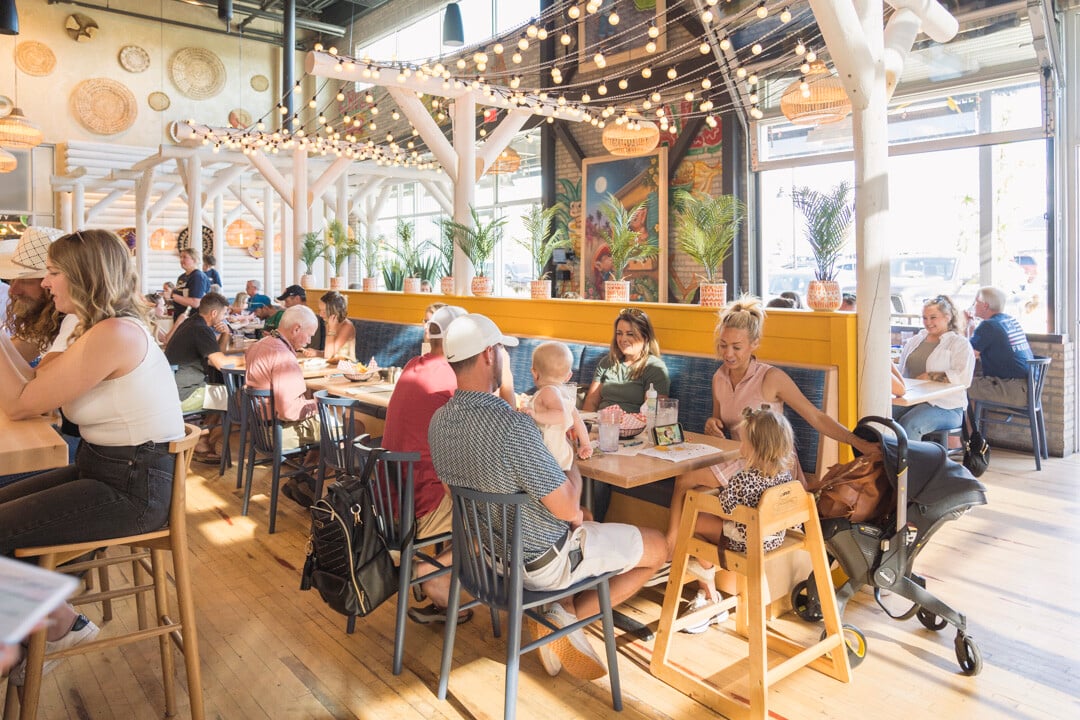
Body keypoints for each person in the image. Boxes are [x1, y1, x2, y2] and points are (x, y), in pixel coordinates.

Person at [429, 314, 666, 680]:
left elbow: (457, 497)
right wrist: (573, 461)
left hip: (490, 563)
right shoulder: (513, 427)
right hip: (541, 566)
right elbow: (568, 505)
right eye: (503, 353)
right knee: (659, 547)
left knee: (585, 518)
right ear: (489, 355)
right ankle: (562, 622)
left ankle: (558, 614)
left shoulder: (440, 422)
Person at [0, 229, 185, 686]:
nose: (46, 283)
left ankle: (51, 629)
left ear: (83, 277)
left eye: (54, 272)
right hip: (107, 469)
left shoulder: (114, 334)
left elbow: (24, 402)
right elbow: (36, 394)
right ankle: (58, 625)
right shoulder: (94, 329)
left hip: (134, 487)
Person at [665, 296, 877, 559]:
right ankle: (707, 572)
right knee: (693, 494)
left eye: (736, 347)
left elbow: (815, 417)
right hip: (738, 459)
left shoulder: (771, 378)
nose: (728, 354)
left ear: (754, 344)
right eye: (723, 346)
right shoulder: (718, 378)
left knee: (685, 479)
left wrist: (857, 442)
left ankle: (671, 547)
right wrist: (712, 424)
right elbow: (718, 421)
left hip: (767, 466)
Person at [383, 304, 469, 624]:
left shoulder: (411, 366)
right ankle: (427, 572)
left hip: (391, 497)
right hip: (421, 505)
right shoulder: (452, 378)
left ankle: (438, 583)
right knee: (493, 519)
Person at [678, 406, 796, 633]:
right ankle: (710, 590)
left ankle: (710, 595)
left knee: (693, 522)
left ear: (755, 448)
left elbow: (725, 506)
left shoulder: (743, 478)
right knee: (704, 528)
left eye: (744, 442)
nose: (741, 447)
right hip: (773, 538)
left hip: (747, 541)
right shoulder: (786, 476)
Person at [244, 304, 322, 503]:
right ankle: (312, 486)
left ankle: (302, 480)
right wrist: (319, 403)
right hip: (277, 433)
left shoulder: (258, 345)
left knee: (325, 426)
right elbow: (288, 411)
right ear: (296, 329)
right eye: (309, 335)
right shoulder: (284, 356)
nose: (309, 340)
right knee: (348, 427)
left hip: (260, 431)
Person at [892, 295, 975, 441]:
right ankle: (882, 460)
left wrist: (930, 376)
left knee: (910, 424)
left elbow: (963, 378)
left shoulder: (959, 344)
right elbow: (901, 370)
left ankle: (909, 463)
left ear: (947, 317)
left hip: (947, 406)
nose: (928, 322)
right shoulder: (915, 340)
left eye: (933, 317)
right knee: (881, 416)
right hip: (912, 400)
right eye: (924, 318)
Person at [164, 291, 232, 460]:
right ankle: (202, 442)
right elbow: (220, 363)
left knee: (221, 393)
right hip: (183, 394)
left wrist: (226, 334)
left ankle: (201, 439)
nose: (225, 317)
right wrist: (246, 362)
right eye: (224, 314)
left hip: (170, 390)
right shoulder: (201, 330)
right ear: (214, 313)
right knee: (230, 396)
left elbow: (217, 354)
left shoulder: (191, 323)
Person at [582, 307, 670, 413]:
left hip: (634, 426)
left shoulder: (655, 368)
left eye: (630, 334)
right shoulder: (607, 362)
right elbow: (591, 402)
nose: (623, 339)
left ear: (645, 338)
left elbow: (652, 414)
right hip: (601, 424)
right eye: (619, 333)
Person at [0, 226, 66, 363]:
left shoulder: (68, 321)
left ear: (49, 283)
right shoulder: (44, 319)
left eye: (26, 282)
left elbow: (10, 359)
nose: (13, 290)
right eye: (12, 280)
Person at [529, 341, 593, 476]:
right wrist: (586, 444)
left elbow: (560, 415)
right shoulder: (565, 395)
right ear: (568, 376)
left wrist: (535, 415)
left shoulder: (548, 391)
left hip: (548, 456)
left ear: (534, 373)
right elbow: (578, 421)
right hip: (560, 453)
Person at [965, 286, 1034, 408]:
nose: (973, 305)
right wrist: (971, 327)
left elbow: (967, 355)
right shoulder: (1010, 320)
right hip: (1030, 388)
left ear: (985, 305)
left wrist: (967, 327)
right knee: (973, 383)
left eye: (976, 302)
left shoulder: (988, 325)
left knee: (960, 386)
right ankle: (975, 426)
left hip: (1013, 390)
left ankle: (970, 427)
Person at [311, 290, 356, 362]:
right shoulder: (328, 323)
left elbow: (329, 355)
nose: (320, 314)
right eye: (320, 310)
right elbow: (330, 353)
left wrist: (331, 329)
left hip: (347, 368)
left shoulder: (347, 326)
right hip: (332, 365)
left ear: (334, 312)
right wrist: (317, 353)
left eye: (324, 311)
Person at [166, 248, 210, 321]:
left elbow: (196, 303)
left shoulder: (197, 276)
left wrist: (172, 295)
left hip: (192, 320)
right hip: (180, 318)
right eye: (181, 257)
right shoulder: (181, 277)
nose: (181, 260)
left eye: (185, 257)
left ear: (194, 260)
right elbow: (182, 297)